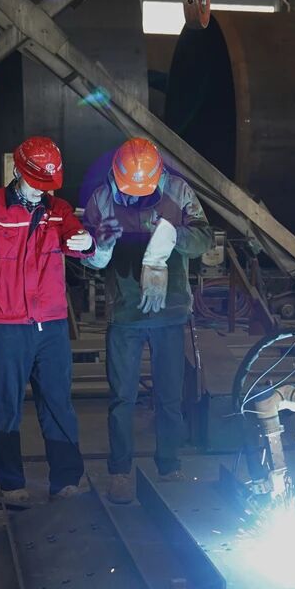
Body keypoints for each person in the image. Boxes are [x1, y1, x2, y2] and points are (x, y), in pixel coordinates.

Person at [0, 136, 95, 502]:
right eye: (37, 182)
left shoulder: (59, 210)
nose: (43, 190)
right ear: (18, 172)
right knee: (5, 404)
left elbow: (77, 238)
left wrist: (86, 243)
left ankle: (67, 480)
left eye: (48, 184)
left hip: (51, 324)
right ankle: (11, 484)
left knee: (57, 403)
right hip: (5, 325)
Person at [81, 138, 213, 504]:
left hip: (170, 311)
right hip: (125, 313)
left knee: (170, 397)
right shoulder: (101, 199)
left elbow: (203, 239)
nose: (136, 197)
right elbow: (89, 255)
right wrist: (98, 245)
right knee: (122, 399)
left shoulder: (178, 191)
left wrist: (172, 235)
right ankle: (120, 472)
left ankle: (169, 466)